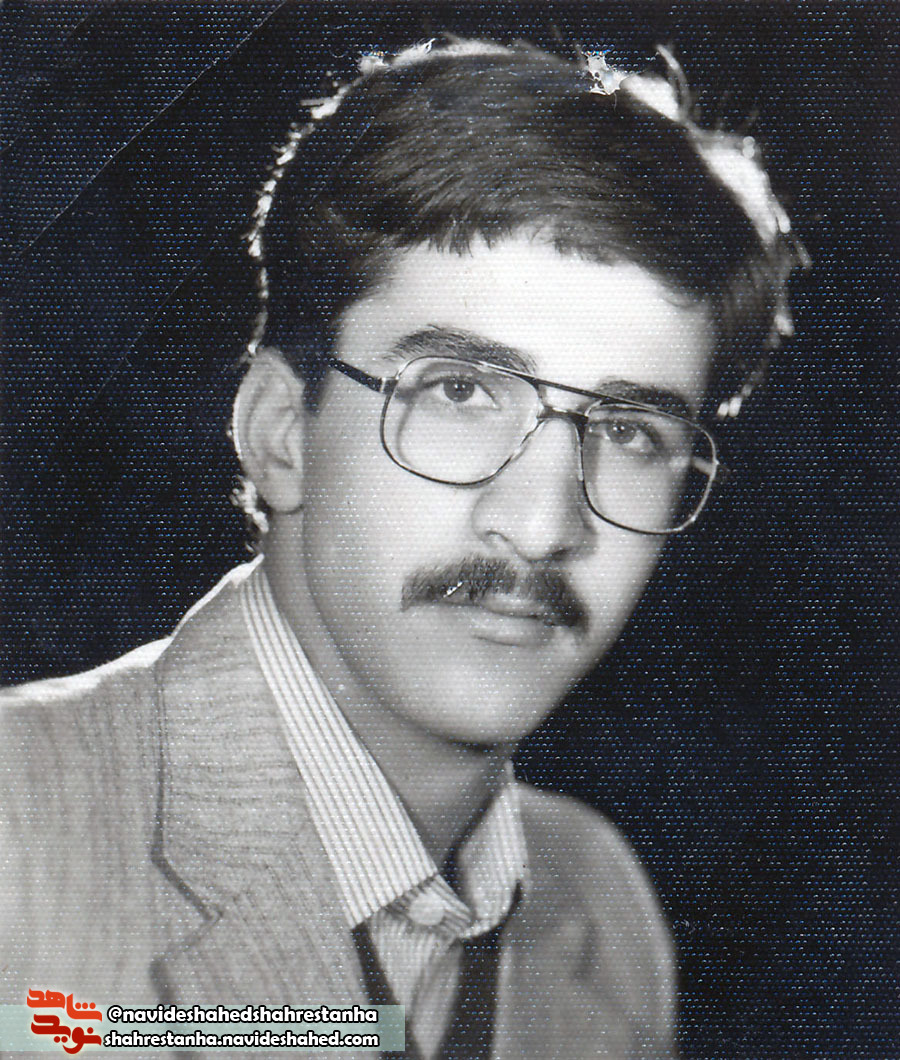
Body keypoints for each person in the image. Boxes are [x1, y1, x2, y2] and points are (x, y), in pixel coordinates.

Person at [0, 37, 803, 1059]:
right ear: (281, 434)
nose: (544, 525)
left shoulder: (599, 902)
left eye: (630, 432)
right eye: (460, 391)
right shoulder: (16, 832)